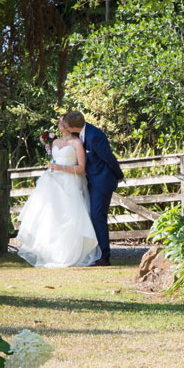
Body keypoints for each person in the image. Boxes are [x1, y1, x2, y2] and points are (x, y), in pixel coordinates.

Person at [16, 116, 101, 268]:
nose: (61, 124)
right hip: (52, 182)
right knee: (51, 217)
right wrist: (50, 156)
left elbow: (82, 167)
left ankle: (69, 253)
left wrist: (62, 168)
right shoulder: (55, 142)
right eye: (59, 122)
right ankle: (51, 253)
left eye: (64, 122)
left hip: (70, 183)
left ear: (70, 125)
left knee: (69, 218)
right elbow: (55, 160)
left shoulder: (77, 143)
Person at [61, 110, 123, 267]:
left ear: (73, 126)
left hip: (102, 181)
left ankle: (104, 256)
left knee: (97, 215)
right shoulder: (80, 135)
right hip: (91, 181)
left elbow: (108, 157)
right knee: (92, 215)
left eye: (66, 125)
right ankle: (96, 253)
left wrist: (118, 175)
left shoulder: (94, 135)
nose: (64, 127)